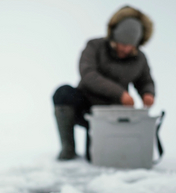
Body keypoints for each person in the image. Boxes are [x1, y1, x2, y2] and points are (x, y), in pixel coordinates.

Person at [52, 5, 155, 160]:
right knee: (63, 93)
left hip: (112, 114)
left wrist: (148, 93)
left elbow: (145, 80)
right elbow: (88, 74)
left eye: (130, 45)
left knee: (95, 157)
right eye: (123, 43)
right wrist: (120, 93)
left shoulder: (139, 59)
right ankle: (68, 150)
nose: (126, 49)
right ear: (114, 37)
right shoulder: (94, 46)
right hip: (86, 107)